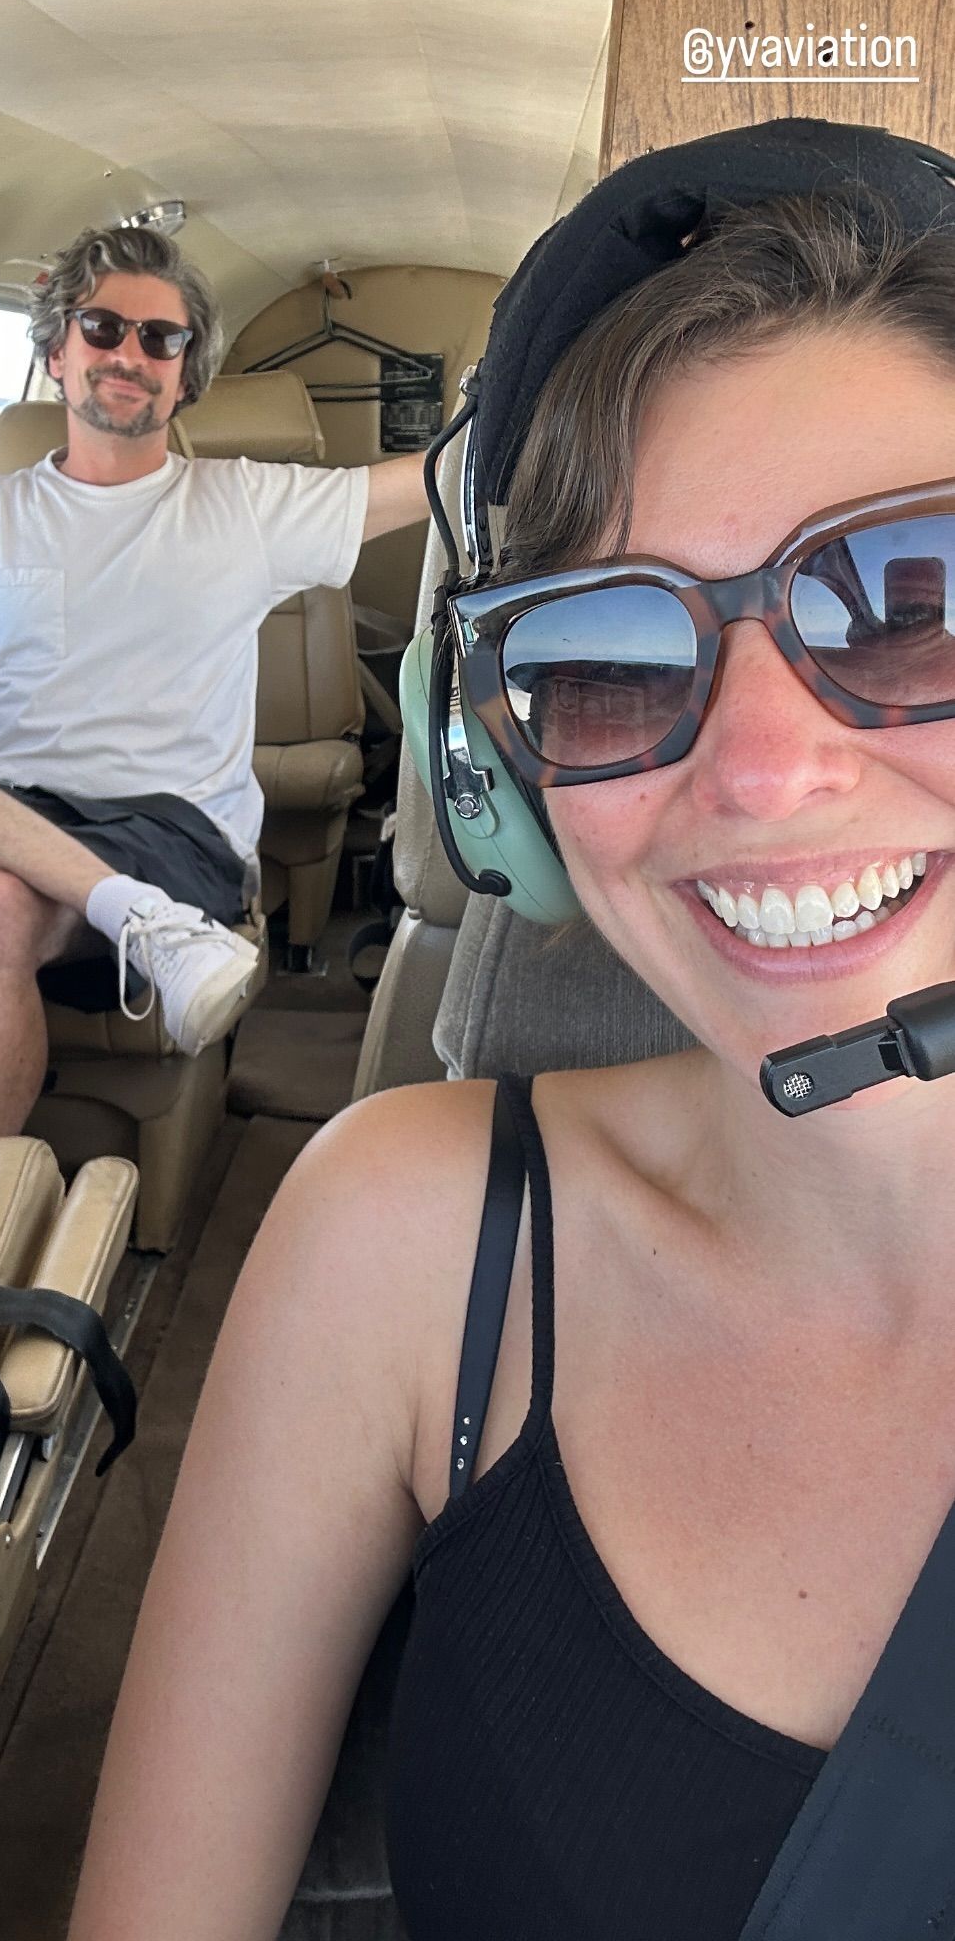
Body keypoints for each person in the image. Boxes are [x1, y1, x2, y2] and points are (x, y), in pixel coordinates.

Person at [67, 121, 955, 1940]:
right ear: (498, 776)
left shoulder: (240, 511)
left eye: (910, 602)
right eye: (606, 659)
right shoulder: (403, 1241)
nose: (763, 773)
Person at [0, 223, 428, 1138]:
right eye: (102, 328)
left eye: (161, 338)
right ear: (56, 351)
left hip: (169, 829)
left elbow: (430, 479)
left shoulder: (245, 503)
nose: (130, 353)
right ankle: (133, 915)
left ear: (185, 372)